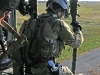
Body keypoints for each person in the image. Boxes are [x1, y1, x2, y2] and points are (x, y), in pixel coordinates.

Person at [11, 0, 84, 75]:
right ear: (59, 10)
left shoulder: (30, 23)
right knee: (68, 72)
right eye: (63, 12)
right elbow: (76, 43)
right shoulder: (57, 24)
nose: (62, 15)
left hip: (29, 69)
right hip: (45, 70)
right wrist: (78, 29)